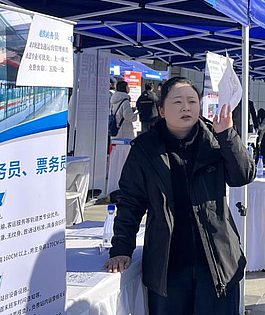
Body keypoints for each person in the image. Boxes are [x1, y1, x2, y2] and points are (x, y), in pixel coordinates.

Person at [104, 77, 254, 314]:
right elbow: (131, 202)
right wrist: (121, 248)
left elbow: (243, 175)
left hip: (217, 259)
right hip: (168, 263)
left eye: (192, 101)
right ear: (161, 110)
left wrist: (228, 135)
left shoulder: (216, 140)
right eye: (177, 102)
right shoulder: (145, 149)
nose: (186, 107)